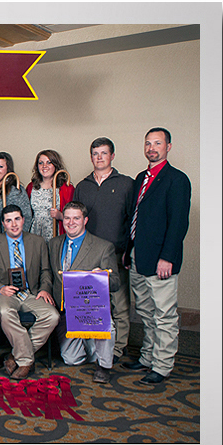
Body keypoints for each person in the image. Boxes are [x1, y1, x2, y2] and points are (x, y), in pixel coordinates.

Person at [123, 128, 191, 384]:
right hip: (138, 255)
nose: (152, 148)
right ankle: (147, 357)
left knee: (164, 314)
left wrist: (168, 257)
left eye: (158, 143)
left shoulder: (176, 179)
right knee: (145, 310)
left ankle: (162, 366)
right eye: (148, 143)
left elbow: (178, 223)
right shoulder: (142, 177)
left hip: (161, 259)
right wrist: (128, 251)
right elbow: (135, 217)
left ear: (168, 147)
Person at [73, 137, 135, 362]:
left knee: (118, 303)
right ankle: (93, 349)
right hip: (88, 254)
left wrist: (129, 249)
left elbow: (132, 220)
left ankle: (119, 348)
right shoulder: (83, 186)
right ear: (91, 157)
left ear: (112, 156)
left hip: (116, 253)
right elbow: (76, 220)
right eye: (95, 153)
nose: (99, 157)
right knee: (92, 304)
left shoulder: (126, 184)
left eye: (103, 153)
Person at [48, 202, 120, 384]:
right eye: (67, 218)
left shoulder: (103, 247)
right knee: (71, 359)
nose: (71, 222)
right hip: (65, 311)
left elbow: (116, 283)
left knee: (107, 325)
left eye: (76, 218)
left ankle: (104, 366)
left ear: (85, 220)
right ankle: (91, 343)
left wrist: (100, 278)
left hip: (91, 310)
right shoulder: (54, 244)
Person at [0, 205, 60, 379]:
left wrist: (44, 289)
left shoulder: (38, 241)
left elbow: (46, 270)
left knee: (53, 316)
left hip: (31, 292)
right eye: (9, 220)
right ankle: (26, 361)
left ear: (23, 220)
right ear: (3, 223)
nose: (14, 224)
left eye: (17, 219)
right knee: (4, 312)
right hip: (6, 293)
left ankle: (15, 355)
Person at [27, 150, 74, 242]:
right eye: (41, 163)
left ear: (55, 165)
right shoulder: (31, 187)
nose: (44, 166)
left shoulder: (66, 188)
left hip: (56, 235)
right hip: (34, 234)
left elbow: (75, 216)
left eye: (49, 162)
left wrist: (60, 215)